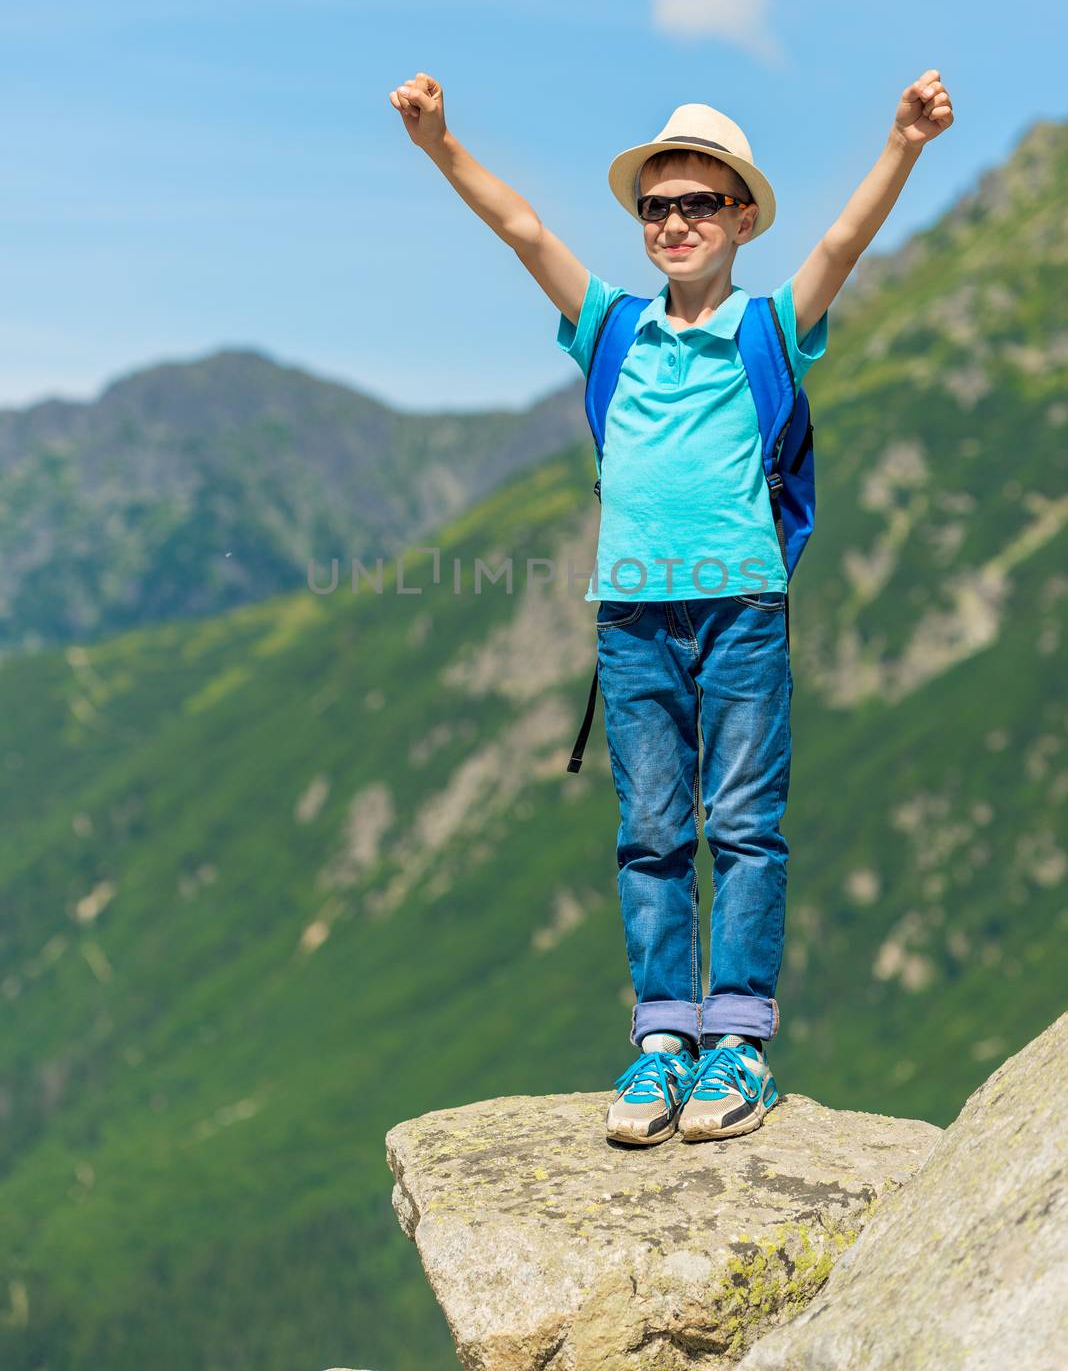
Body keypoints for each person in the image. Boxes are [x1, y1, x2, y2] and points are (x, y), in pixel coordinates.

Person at [387, 68, 954, 1145]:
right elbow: (521, 228)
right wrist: (439, 145)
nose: (676, 221)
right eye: (658, 205)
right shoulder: (609, 328)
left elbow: (839, 243)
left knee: (742, 825)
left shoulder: (768, 331)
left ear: (740, 217)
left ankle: (737, 1041)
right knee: (649, 831)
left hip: (742, 611)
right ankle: (662, 1043)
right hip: (631, 620)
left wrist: (903, 143)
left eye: (699, 203)